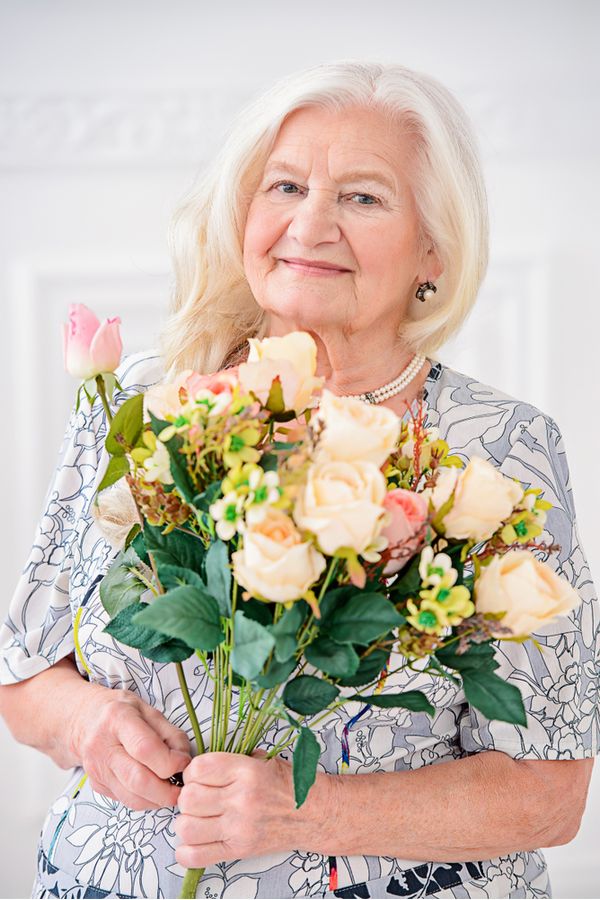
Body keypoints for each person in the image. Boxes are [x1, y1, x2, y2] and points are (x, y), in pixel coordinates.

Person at [0, 59, 598, 900]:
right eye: (283, 186)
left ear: (434, 246)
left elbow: (550, 792)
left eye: (363, 197)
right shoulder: (143, 401)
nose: (310, 224)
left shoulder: (501, 451)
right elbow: (26, 676)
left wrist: (308, 811)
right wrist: (91, 724)